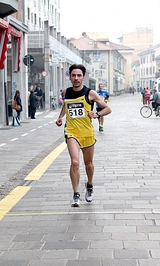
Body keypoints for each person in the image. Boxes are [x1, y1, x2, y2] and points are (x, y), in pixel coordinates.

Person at [55, 64, 111, 207]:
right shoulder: (65, 92)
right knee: (75, 162)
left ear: (83, 77)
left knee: (88, 164)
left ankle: (90, 185)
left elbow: (107, 108)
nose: (76, 78)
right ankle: (76, 194)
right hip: (71, 132)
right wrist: (60, 117)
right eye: (73, 75)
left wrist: (97, 114)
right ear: (70, 76)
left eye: (79, 75)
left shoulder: (90, 93)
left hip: (87, 133)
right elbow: (65, 106)